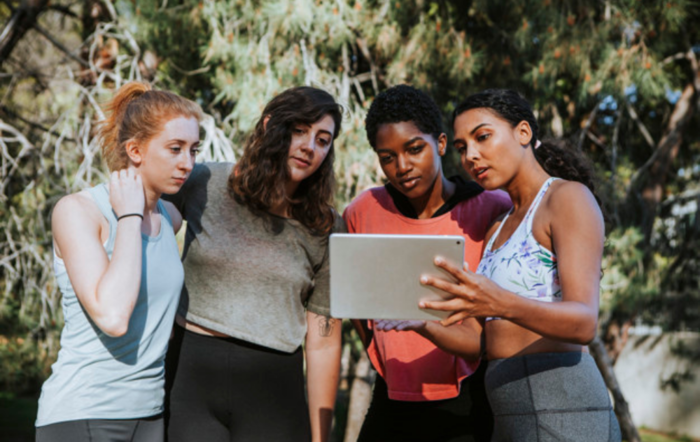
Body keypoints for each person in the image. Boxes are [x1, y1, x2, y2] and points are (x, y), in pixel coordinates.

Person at [419, 89, 622, 441]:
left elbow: (585, 322)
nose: (471, 156)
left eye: (482, 137)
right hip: (509, 412)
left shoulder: (566, 198)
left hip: (564, 405)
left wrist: (499, 302)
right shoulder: (498, 225)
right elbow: (485, 340)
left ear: (523, 133)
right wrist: (421, 324)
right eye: (462, 147)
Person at [164, 86, 344, 442]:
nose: (311, 146)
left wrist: (322, 437)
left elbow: (324, 341)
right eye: (299, 130)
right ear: (268, 126)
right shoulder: (204, 181)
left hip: (274, 390)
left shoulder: (326, 227)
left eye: (323, 140)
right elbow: (145, 225)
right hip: (190, 377)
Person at [35, 82, 203, 442]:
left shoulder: (169, 218)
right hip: (83, 415)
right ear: (135, 150)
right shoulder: (79, 212)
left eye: (193, 149)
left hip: (150, 417)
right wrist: (128, 216)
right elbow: (113, 317)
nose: (187, 163)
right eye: (175, 149)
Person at [343, 85, 511, 442]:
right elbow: (358, 306)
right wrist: (384, 355)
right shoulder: (363, 211)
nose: (401, 167)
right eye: (387, 157)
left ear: (441, 144)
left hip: (469, 399)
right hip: (392, 395)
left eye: (414, 149)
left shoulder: (490, 207)